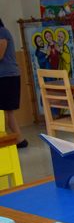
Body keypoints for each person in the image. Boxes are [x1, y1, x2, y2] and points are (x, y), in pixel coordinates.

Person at [0, 19, 27, 148]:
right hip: (5, 76)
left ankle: (19, 140)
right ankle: (19, 140)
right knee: (7, 111)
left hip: (7, 76)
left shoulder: (2, 32)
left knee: (8, 110)